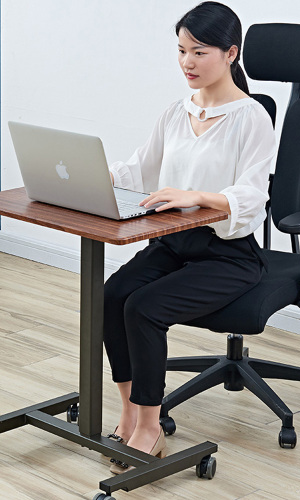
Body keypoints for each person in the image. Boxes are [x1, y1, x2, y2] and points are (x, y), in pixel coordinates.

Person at [104, 1, 276, 474]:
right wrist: (93, 173)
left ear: (231, 53)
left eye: (199, 52)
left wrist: (195, 196)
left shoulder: (252, 117)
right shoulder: (176, 112)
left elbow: (251, 196)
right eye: (181, 51)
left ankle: (151, 427)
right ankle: (128, 413)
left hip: (227, 255)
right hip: (174, 245)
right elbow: (138, 169)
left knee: (144, 307)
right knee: (113, 293)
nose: (187, 63)